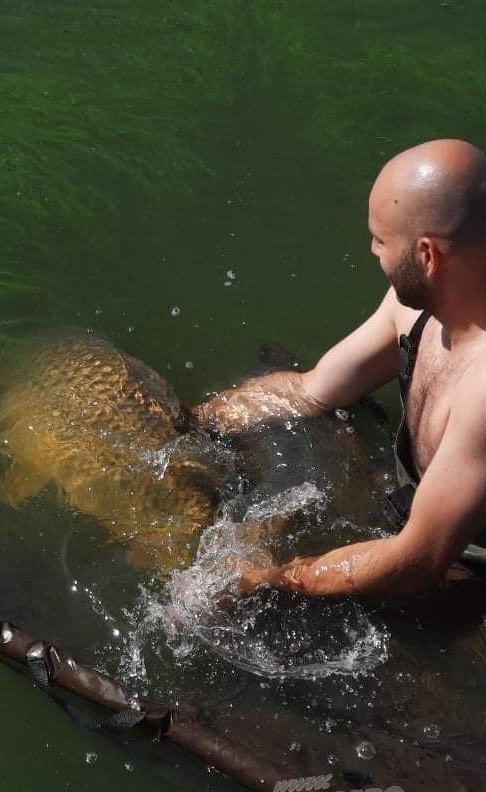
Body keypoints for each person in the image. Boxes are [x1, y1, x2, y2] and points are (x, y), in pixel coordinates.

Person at [196, 139, 486, 599]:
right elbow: (311, 391)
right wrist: (193, 425)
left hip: (461, 561)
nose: (372, 250)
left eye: (381, 240)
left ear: (428, 256)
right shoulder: (415, 307)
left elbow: (418, 561)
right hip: (414, 517)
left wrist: (266, 582)